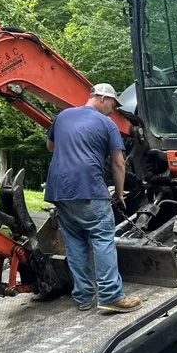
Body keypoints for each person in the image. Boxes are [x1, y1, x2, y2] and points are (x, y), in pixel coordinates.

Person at [45, 83, 142, 314]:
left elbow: (50, 147)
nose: (112, 110)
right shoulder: (106, 124)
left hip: (59, 191)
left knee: (75, 243)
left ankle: (83, 297)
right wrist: (119, 193)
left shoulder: (63, 116)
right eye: (112, 104)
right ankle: (111, 296)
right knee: (102, 239)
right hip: (88, 188)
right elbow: (119, 163)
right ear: (101, 98)